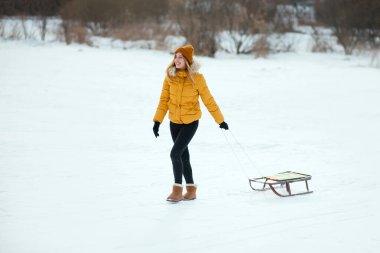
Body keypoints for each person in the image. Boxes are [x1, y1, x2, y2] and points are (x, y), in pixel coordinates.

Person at [153, 45, 229, 202]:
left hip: (191, 122)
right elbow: (163, 100)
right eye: (175, 56)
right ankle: (191, 189)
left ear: (187, 60)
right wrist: (157, 121)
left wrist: (220, 120)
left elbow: (209, 100)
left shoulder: (197, 78)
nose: (177, 60)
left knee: (175, 154)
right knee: (183, 156)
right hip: (174, 122)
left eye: (180, 57)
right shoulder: (170, 76)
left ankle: (177, 191)